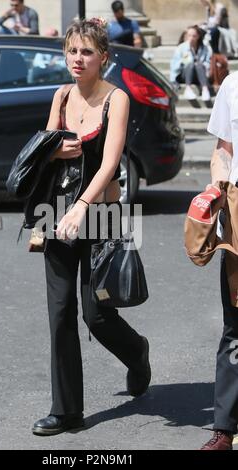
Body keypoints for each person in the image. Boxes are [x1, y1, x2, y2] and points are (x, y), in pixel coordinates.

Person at [31, 18, 151, 436]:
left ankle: (137, 354)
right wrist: (53, 151)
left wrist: (83, 206)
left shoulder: (116, 99)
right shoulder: (61, 95)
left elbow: (110, 163)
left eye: (86, 52)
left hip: (101, 214)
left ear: (103, 57)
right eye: (71, 51)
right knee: (60, 311)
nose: (77, 59)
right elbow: (41, 154)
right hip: (58, 214)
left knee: (98, 314)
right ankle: (66, 411)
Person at [199, 72, 238, 450]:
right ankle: (224, 426)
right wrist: (216, 188)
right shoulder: (233, 84)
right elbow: (224, 149)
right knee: (236, 319)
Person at [170, 25, 212, 101]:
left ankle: (205, 89)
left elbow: (208, 62)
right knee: (191, 64)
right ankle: (188, 89)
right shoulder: (181, 47)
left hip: (200, 74)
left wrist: (203, 65)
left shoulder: (204, 48)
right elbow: (174, 66)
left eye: (194, 36)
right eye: (189, 36)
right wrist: (184, 60)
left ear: (198, 36)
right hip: (184, 75)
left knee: (199, 64)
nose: (191, 38)